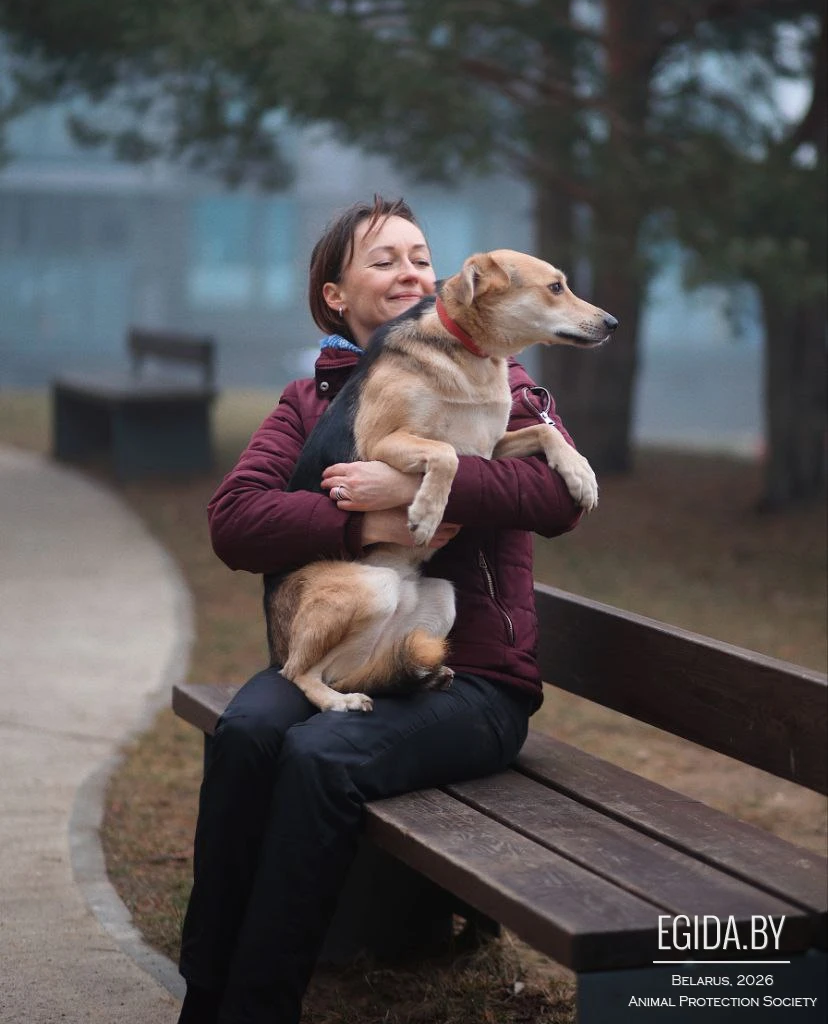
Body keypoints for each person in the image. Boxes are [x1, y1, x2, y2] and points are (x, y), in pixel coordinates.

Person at [177, 196, 585, 1024]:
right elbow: (235, 520)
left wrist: (418, 481)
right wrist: (358, 521)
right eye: (385, 260)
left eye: (421, 257)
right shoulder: (310, 399)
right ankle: (205, 994)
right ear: (335, 294)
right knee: (248, 732)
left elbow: (554, 495)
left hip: (471, 680)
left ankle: (257, 1007)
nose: (411, 273)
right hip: (344, 652)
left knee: (321, 757)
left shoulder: (497, 374)